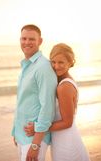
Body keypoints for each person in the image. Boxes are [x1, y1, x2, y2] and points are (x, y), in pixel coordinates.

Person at [24, 43, 90, 161]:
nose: (56, 66)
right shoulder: (62, 80)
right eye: (53, 62)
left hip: (67, 142)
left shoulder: (64, 86)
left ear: (70, 63)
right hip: (61, 138)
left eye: (61, 62)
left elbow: (67, 122)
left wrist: (38, 128)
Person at [11, 24, 57, 161]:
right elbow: (22, 101)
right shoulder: (27, 65)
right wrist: (16, 131)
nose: (26, 42)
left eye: (31, 39)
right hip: (22, 135)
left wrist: (36, 145)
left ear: (40, 41)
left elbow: (48, 108)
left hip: (35, 139)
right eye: (23, 38)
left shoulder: (43, 67)